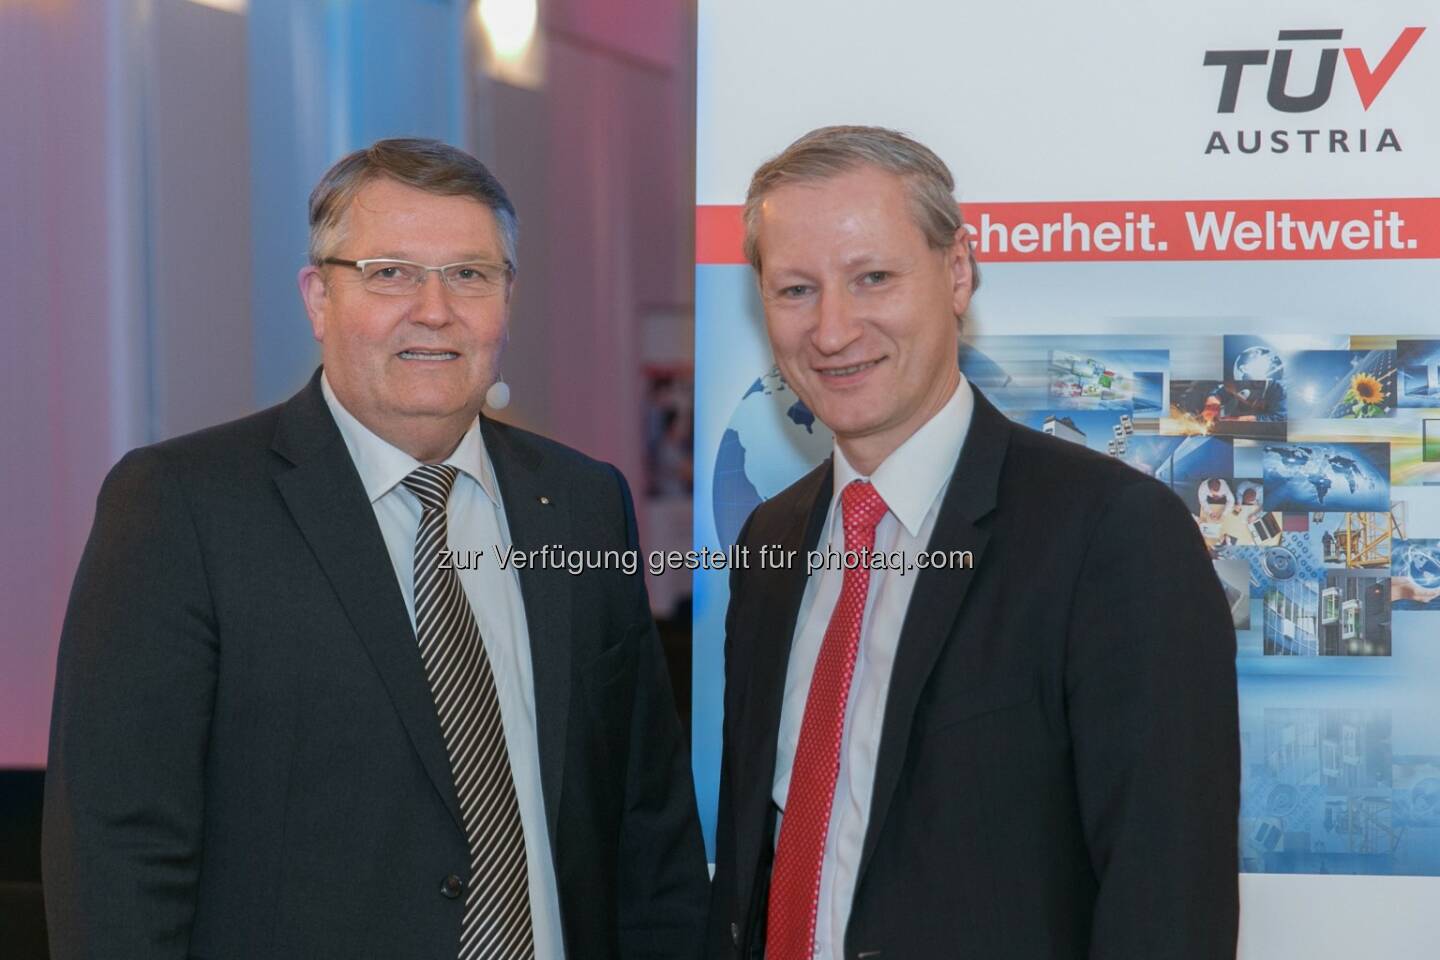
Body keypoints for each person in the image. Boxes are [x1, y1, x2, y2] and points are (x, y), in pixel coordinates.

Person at [44, 138, 708, 959]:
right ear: (318, 297)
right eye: (390, 272)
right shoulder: (181, 506)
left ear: (508, 298)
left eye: (470, 274)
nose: (435, 309)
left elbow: (648, 823)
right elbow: (120, 846)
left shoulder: (581, 504)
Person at [705, 126, 1239, 959]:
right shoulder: (770, 545)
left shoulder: (1112, 536)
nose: (833, 330)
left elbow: (1166, 900)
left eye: (873, 277)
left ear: (957, 272)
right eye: (796, 290)